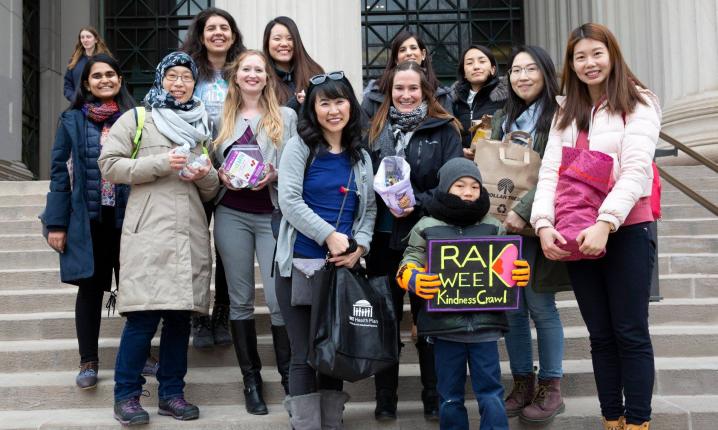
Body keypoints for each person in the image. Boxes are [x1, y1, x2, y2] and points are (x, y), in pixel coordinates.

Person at [531, 23, 661, 430]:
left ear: (612, 54)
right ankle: (612, 419)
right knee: (600, 336)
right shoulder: (566, 111)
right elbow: (550, 172)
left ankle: (638, 422)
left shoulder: (638, 102)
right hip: (574, 232)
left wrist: (606, 223)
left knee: (630, 332)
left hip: (626, 230)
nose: (589, 63)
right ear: (570, 63)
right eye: (579, 56)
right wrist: (542, 224)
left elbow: (637, 169)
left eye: (596, 54)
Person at [98, 51, 219, 426]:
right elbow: (109, 165)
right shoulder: (138, 118)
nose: (179, 83)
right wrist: (160, 164)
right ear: (160, 79)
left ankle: (171, 395)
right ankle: (127, 396)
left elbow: (212, 189)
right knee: (142, 320)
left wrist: (202, 173)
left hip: (189, 234)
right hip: (148, 232)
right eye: (173, 76)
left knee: (179, 321)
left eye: (186, 77)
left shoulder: (202, 127)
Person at [396, 157, 530, 430]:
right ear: (445, 188)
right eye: (460, 186)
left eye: (474, 187)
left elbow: (509, 261)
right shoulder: (425, 226)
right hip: (444, 329)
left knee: (491, 394)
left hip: (486, 327)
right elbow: (409, 260)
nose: (468, 192)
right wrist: (411, 278)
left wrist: (518, 272)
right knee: (449, 397)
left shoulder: (494, 225)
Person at [275, 71, 376, 429]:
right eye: (325, 102)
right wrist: (329, 235)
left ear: (351, 104)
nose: (334, 110)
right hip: (299, 267)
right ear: (313, 108)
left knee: (332, 350)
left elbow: (370, 210)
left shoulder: (360, 156)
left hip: (341, 269)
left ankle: (331, 423)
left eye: (340, 101)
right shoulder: (300, 147)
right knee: (303, 355)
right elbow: (288, 199)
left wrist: (359, 246)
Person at [366, 60, 463, 421]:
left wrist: (415, 202)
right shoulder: (373, 130)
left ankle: (433, 395)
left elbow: (453, 186)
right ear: (388, 92)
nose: (405, 95)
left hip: (427, 240)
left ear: (426, 92)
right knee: (385, 322)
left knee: (429, 323)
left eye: (413, 89)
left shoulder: (445, 130)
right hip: (381, 240)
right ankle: (385, 396)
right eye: (398, 89)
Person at [212, 50, 297, 415]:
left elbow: (298, 160)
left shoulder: (287, 116)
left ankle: (291, 378)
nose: (252, 74)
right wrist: (218, 172)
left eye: (258, 70)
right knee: (241, 297)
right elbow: (209, 158)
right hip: (232, 213)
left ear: (267, 77)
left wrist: (275, 172)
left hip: (273, 214)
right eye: (245, 69)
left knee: (279, 299)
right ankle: (251, 381)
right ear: (236, 76)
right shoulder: (219, 117)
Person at [489, 45, 571, 424]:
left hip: (541, 225)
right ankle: (523, 381)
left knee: (540, 305)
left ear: (545, 72)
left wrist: (524, 212)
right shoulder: (502, 120)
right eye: (516, 70)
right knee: (512, 308)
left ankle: (551, 386)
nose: (521, 76)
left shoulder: (561, 116)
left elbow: (561, 172)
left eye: (530, 69)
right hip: (503, 229)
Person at [44, 53, 135, 390]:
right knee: (90, 289)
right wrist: (56, 223)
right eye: (97, 76)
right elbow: (59, 174)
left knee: (135, 288)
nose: (104, 80)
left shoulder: (135, 119)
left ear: (120, 80)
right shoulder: (70, 121)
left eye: (111, 74)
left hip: (128, 218)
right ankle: (88, 361)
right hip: (89, 219)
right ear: (86, 83)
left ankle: (141, 354)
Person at [181, 6, 246, 348]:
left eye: (224, 27)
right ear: (201, 34)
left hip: (236, 168)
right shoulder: (188, 69)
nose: (218, 33)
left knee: (227, 246)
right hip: (196, 169)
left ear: (233, 35)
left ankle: (223, 310)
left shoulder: (243, 70)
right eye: (211, 28)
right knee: (196, 245)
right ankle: (198, 315)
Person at [362, 30, 453, 121]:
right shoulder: (374, 94)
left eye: (413, 48)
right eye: (402, 50)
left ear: (423, 54)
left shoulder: (441, 96)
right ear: (396, 59)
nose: (409, 53)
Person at [451, 44, 508, 157]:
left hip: (495, 162)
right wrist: (461, 150)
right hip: (463, 164)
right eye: (469, 63)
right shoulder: (454, 100)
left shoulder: (506, 98)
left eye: (482, 61)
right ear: (464, 73)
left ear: (493, 69)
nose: (476, 66)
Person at [262, 16, 324, 111]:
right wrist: (295, 103)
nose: (284, 43)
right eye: (277, 39)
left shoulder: (315, 72)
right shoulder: (260, 77)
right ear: (267, 43)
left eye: (290, 38)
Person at [63, 27, 111, 102]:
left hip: (102, 105)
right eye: (82, 37)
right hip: (79, 106)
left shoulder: (105, 60)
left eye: (88, 37)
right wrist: (75, 99)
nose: (85, 40)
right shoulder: (74, 61)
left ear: (96, 40)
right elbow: (67, 85)